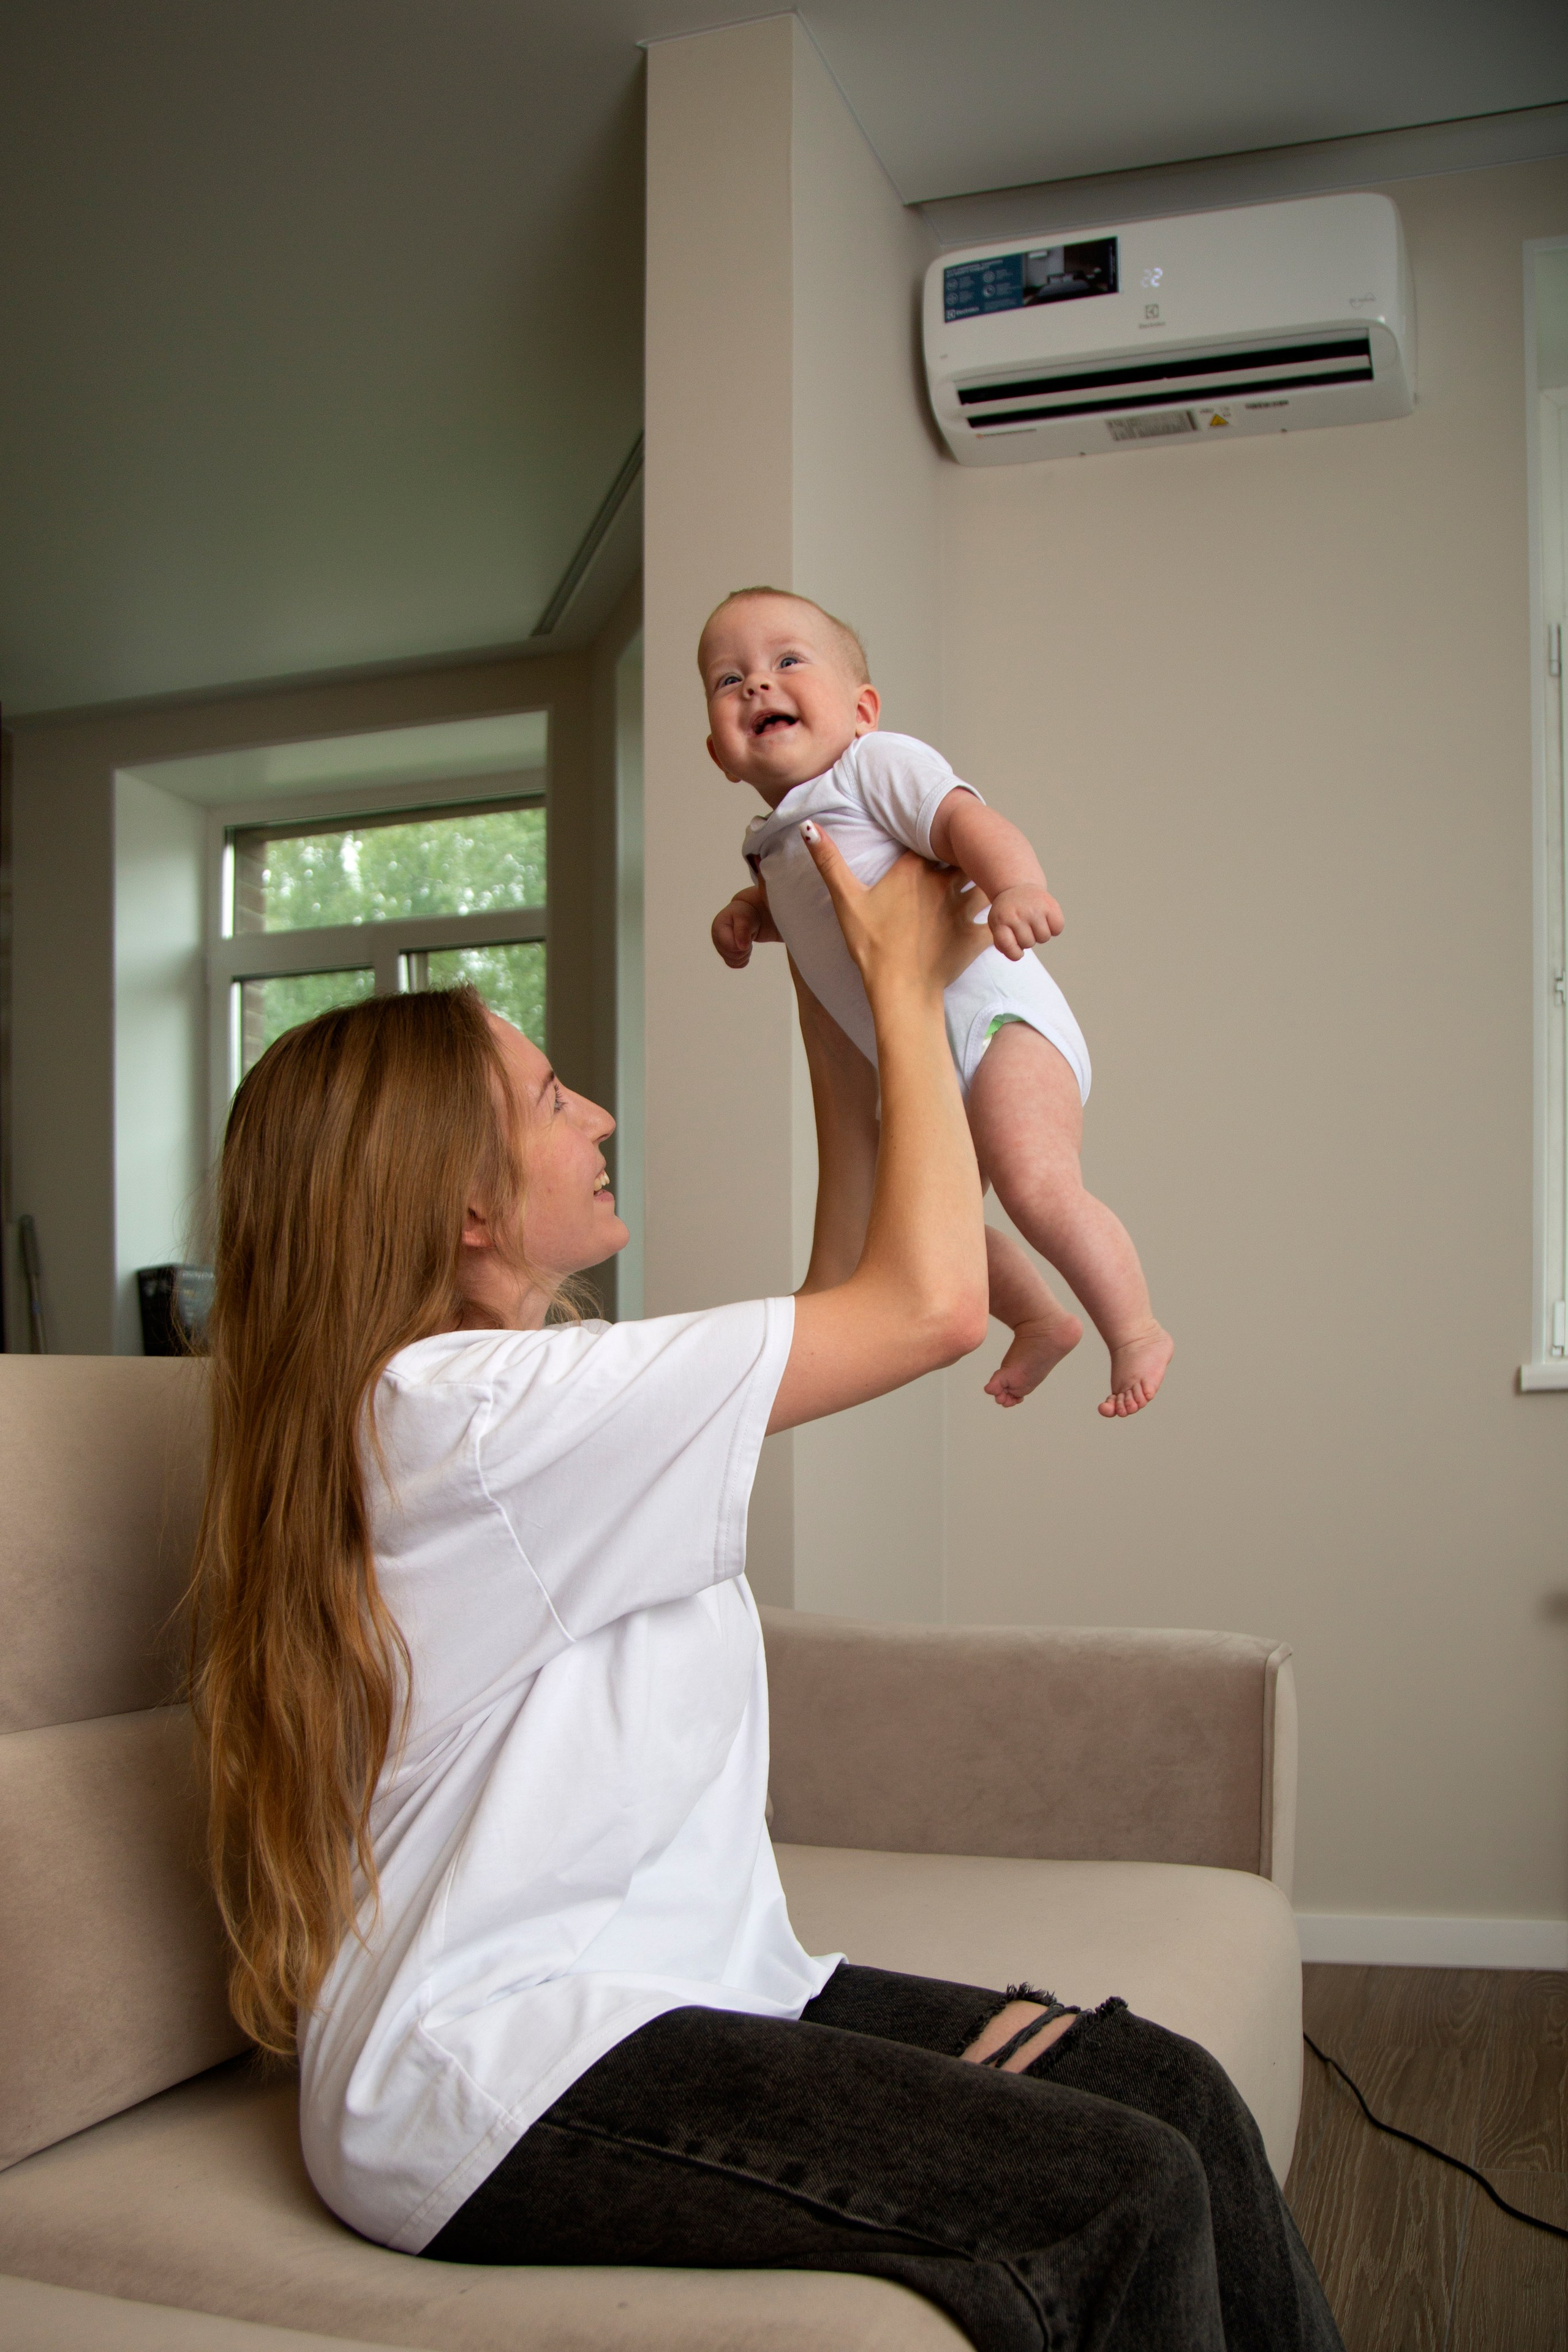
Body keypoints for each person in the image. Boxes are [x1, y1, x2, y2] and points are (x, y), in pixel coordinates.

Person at [189, 835, 1339, 2351]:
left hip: (701, 1989)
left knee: (1170, 2090)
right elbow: (925, 1306)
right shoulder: (467, 1413)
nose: (595, 1113)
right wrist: (908, 983)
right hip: (510, 2071)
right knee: (1107, 2189)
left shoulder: (504, 1406)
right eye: (548, 1098)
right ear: (460, 1208)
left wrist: (832, 977)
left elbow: (862, 1258)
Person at [706, 586, 1173, 1418]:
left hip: (1003, 1029)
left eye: (786, 662)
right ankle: (1037, 1319)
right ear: (721, 753)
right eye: (728, 678)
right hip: (924, 1061)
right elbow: (816, 913)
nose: (757, 686)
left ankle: (1135, 1328)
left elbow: (963, 825)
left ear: (863, 708)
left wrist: (1016, 883)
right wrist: (748, 916)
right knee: (926, 1226)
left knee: (1035, 1183)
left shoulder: (875, 765)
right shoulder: (770, 838)